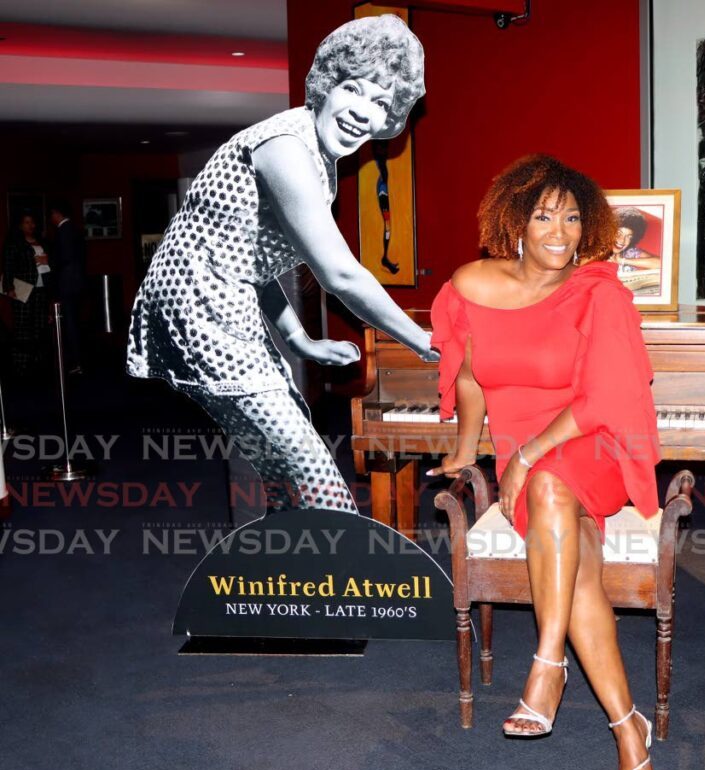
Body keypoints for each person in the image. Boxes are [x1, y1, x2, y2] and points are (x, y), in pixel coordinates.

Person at [126, 15, 437, 513]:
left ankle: (282, 574)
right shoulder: (286, 147)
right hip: (197, 308)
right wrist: (422, 342)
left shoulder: (319, 160)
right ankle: (342, 578)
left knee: (279, 469)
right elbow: (340, 274)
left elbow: (252, 260)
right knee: (316, 475)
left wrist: (299, 341)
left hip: (229, 304)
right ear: (326, 85)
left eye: (380, 103)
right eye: (354, 89)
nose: (363, 112)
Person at [428, 155, 662, 770]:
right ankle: (628, 730)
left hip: (590, 445)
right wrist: (466, 450)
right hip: (525, 459)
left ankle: (547, 664)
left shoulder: (599, 292)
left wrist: (530, 455)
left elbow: (606, 396)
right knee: (579, 565)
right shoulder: (472, 286)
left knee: (552, 487)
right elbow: (472, 379)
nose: (559, 230)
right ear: (515, 223)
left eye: (572, 216)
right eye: (543, 215)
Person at [2, 213, 52, 377]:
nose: (31, 225)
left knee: (39, 326)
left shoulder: (42, 242)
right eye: (27, 222)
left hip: (41, 289)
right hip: (23, 287)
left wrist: (47, 260)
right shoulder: (14, 244)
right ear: (20, 225)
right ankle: (21, 364)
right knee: (22, 327)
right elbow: (8, 266)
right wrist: (9, 287)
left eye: (32, 222)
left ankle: (37, 361)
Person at [48, 200, 86, 374]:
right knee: (74, 321)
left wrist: (48, 260)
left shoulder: (63, 231)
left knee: (69, 322)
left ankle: (76, 361)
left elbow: (64, 258)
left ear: (56, 214)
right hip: (76, 282)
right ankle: (78, 359)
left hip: (67, 282)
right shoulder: (74, 229)